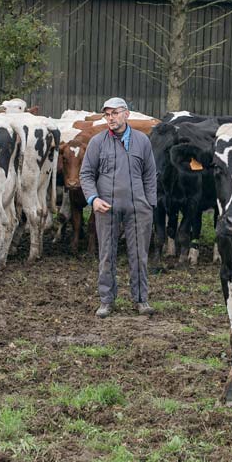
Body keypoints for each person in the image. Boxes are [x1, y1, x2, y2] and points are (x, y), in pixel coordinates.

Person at [79, 97, 158, 318]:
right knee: (106, 254)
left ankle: (141, 300)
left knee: (139, 255)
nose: (110, 118)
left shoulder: (142, 141)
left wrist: (149, 203)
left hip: (138, 208)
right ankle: (106, 301)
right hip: (106, 207)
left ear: (126, 114)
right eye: (107, 114)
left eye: (115, 113)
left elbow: (150, 174)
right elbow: (85, 174)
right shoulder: (97, 142)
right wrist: (93, 199)